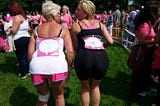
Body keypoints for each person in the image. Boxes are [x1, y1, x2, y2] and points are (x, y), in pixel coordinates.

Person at [28, 1, 74, 106]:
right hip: (58, 67)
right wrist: (69, 67)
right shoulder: (63, 29)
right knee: (59, 96)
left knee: (43, 96)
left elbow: (30, 53)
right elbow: (70, 52)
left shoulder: (36, 30)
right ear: (53, 15)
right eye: (58, 13)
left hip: (37, 67)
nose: (60, 16)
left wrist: (32, 66)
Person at [70, 0, 113, 106]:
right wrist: (102, 45)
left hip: (84, 56)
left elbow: (75, 47)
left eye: (78, 10)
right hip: (101, 57)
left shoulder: (76, 26)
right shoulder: (100, 24)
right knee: (95, 86)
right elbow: (110, 41)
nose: (75, 12)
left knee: (85, 87)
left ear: (86, 12)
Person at [130, 0, 160, 97]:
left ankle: (145, 87)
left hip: (148, 51)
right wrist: (154, 41)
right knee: (140, 71)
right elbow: (141, 41)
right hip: (144, 51)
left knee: (146, 71)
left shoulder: (149, 24)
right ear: (152, 12)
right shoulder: (145, 25)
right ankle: (138, 89)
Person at [7, 2, 31, 78]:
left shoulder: (17, 17)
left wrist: (7, 26)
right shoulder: (24, 16)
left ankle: (23, 73)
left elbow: (14, 30)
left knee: (21, 57)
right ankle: (28, 70)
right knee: (26, 55)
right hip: (27, 37)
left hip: (19, 39)